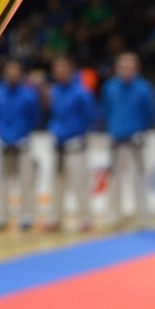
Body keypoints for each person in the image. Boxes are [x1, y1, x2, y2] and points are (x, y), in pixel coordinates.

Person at [100, 52, 155, 227]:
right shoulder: (110, 87)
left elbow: (150, 112)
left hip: (136, 139)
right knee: (115, 178)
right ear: (118, 68)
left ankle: (143, 213)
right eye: (124, 66)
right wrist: (111, 129)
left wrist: (143, 130)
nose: (127, 70)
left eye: (131, 67)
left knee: (139, 177)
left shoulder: (144, 88)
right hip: (116, 138)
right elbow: (106, 110)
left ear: (137, 68)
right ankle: (114, 214)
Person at [0, 58, 42, 230]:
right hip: (3, 144)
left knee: (26, 182)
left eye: (16, 71)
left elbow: (35, 118)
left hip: (23, 145)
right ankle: (0, 216)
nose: (13, 74)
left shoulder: (29, 95)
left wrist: (22, 136)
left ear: (21, 74)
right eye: (10, 71)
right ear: (5, 73)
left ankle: (27, 215)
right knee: (2, 183)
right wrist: (2, 135)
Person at [45, 55, 97, 231]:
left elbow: (90, 116)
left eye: (62, 69)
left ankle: (86, 217)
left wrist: (78, 134)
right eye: (56, 69)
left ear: (70, 70)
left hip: (75, 145)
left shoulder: (81, 92)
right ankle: (55, 218)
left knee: (79, 183)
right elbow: (53, 115)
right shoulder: (54, 91)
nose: (59, 72)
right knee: (56, 184)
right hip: (58, 144)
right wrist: (55, 131)